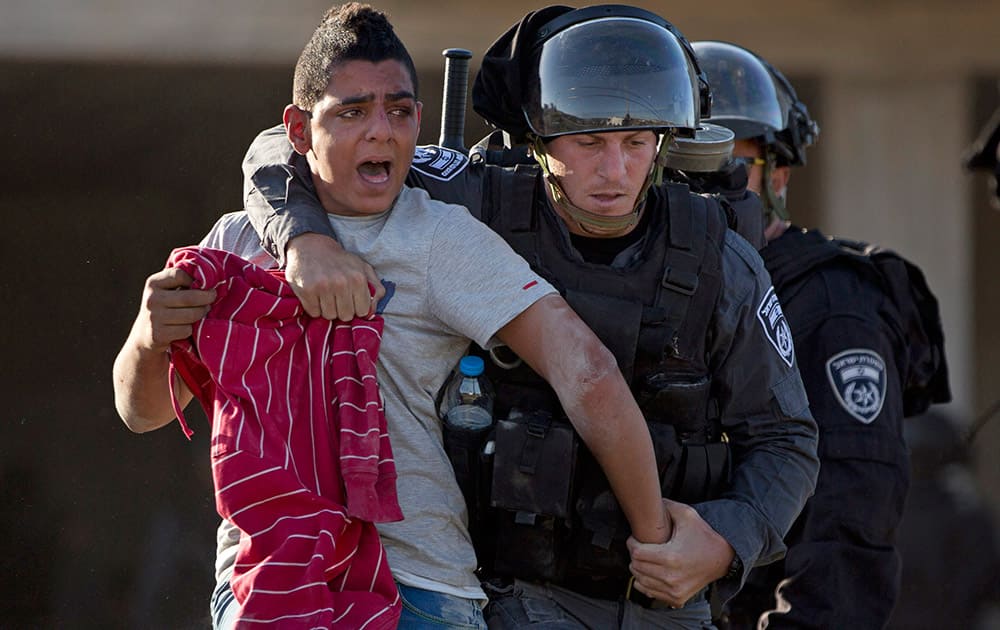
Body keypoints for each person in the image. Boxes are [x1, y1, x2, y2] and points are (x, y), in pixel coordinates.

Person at [237, 6, 820, 628]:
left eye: (635, 142)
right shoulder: (473, 200)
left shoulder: (719, 258)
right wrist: (304, 237)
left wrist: (725, 543)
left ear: (664, 142)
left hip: (663, 601)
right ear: (541, 140)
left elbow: (787, 440)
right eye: (588, 143)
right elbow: (285, 147)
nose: (614, 171)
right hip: (511, 597)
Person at [112, 4, 673, 629]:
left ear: (419, 121)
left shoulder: (440, 237)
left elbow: (589, 372)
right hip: (269, 579)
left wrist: (653, 539)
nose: (381, 131)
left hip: (412, 588)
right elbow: (143, 412)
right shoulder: (238, 240)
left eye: (399, 111)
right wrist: (148, 335)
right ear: (298, 131)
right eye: (353, 112)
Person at [691, 41, 952, 629]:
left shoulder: (831, 305)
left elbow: (850, 523)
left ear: (778, 173)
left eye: (730, 165)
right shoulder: (674, 288)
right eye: (685, 166)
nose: (706, 188)